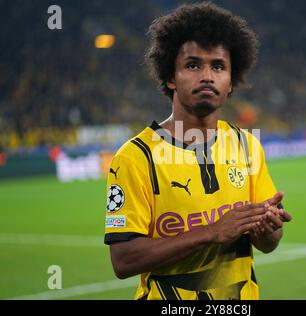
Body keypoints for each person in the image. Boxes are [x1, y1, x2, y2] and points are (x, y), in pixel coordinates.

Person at [104, 2, 292, 300]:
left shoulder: (247, 146)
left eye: (218, 66)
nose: (207, 76)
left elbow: (269, 244)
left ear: (231, 82)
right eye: (193, 65)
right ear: (170, 76)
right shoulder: (136, 156)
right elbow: (124, 260)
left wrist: (266, 229)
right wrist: (211, 232)